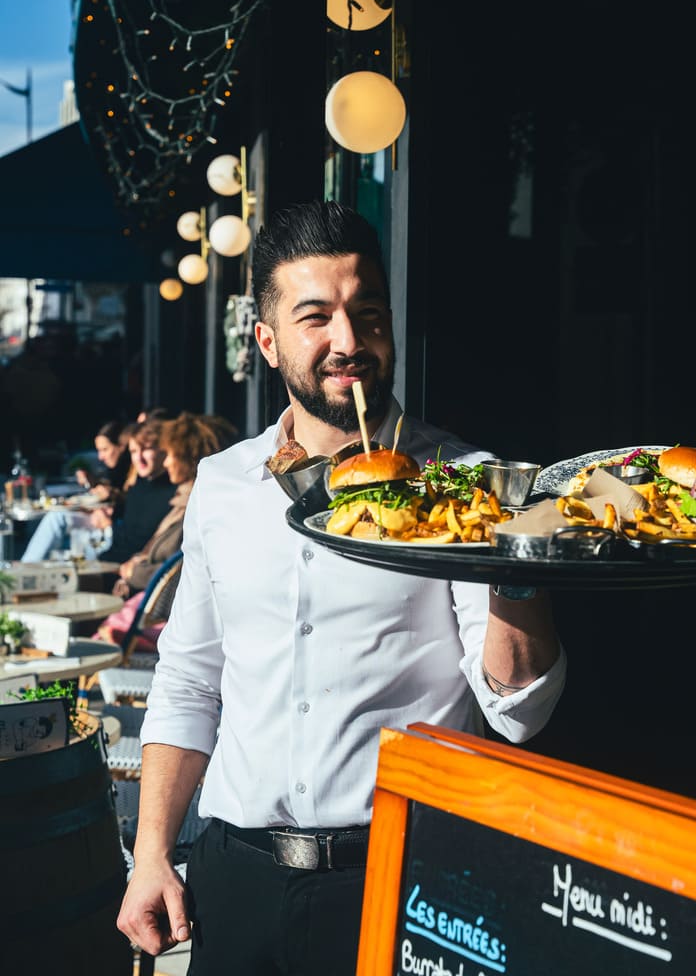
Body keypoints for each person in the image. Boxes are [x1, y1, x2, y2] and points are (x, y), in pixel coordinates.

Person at [118, 200, 566, 974]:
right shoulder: (224, 485)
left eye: (368, 314)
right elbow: (190, 680)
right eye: (317, 317)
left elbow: (520, 711)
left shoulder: (464, 484)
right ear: (267, 340)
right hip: (235, 876)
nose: (348, 342)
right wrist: (152, 854)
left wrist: (513, 562)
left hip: (402, 875)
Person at [94, 412, 238, 651]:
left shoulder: (196, 506)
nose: (167, 462)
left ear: (188, 456)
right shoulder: (184, 501)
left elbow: (182, 570)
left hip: (161, 620)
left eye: (170, 454)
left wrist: (135, 571)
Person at [21, 416, 176, 569]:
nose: (139, 457)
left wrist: (109, 525)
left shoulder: (166, 492)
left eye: (146, 449)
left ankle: (21, 572)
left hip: (114, 553)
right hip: (111, 544)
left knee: (58, 527)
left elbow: (137, 540)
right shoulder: (142, 482)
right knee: (57, 535)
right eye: (134, 451)